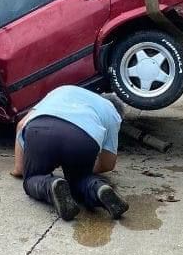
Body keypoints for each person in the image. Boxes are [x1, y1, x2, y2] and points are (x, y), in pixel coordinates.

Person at [11, 85, 128, 221]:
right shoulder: (112, 114)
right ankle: (98, 189)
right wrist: (79, 167)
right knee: (80, 181)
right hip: (82, 137)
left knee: (33, 178)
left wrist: (19, 169)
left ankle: (51, 185)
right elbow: (108, 164)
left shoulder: (63, 89)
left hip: (40, 128)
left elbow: (21, 125)